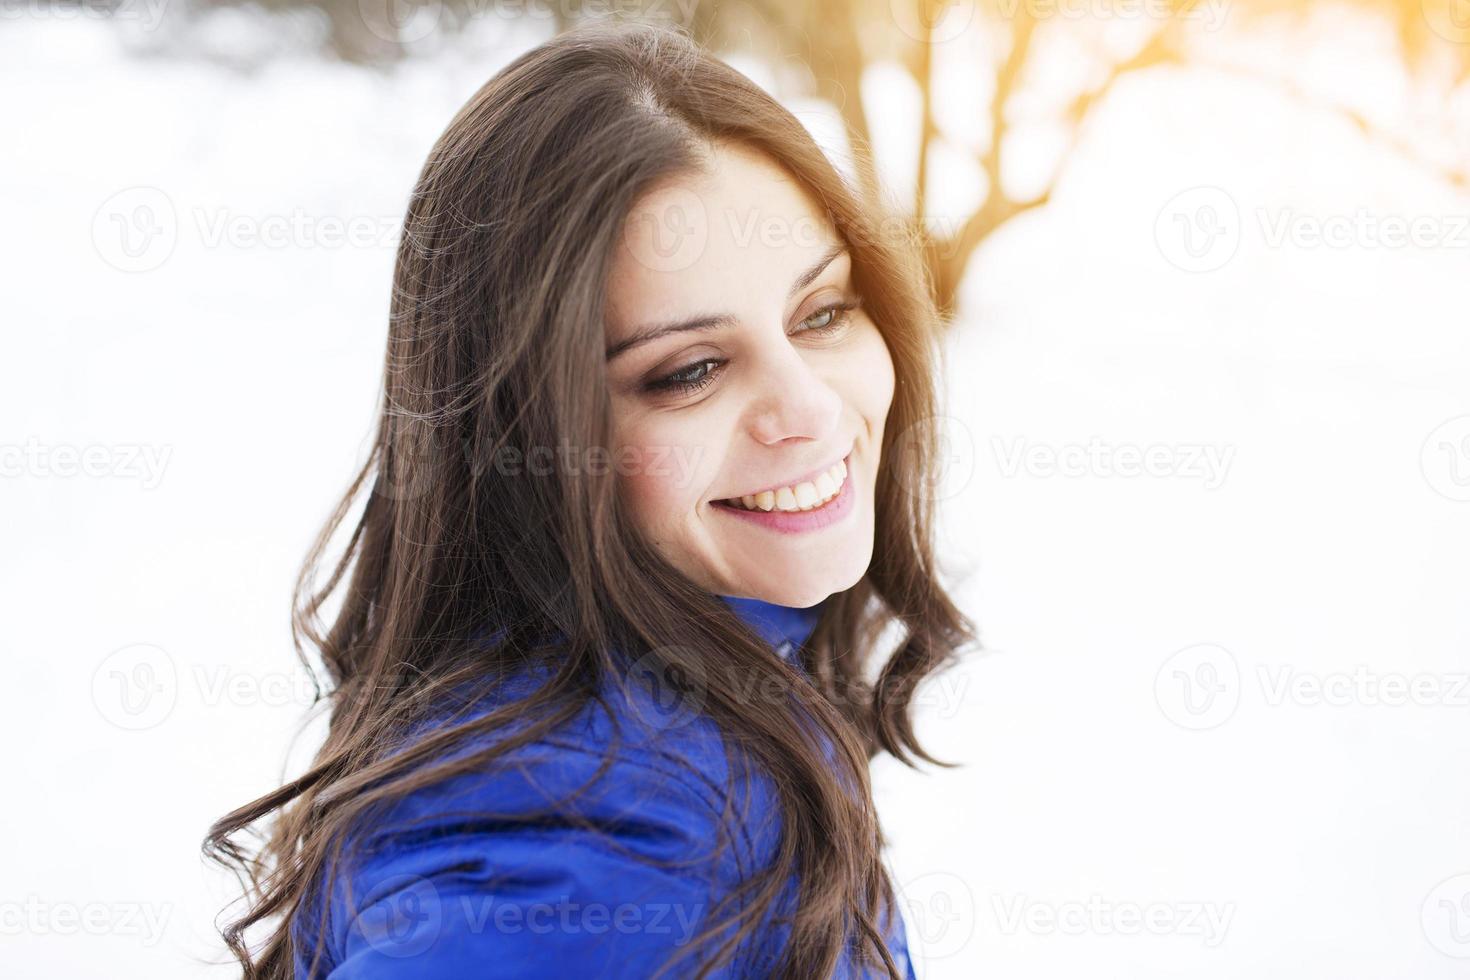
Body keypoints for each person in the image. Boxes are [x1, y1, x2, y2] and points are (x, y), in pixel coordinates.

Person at [205, 20, 976, 979]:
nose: (810, 411)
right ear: (524, 437)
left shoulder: (680, 700)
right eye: (690, 370)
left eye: (821, 313)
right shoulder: (602, 840)